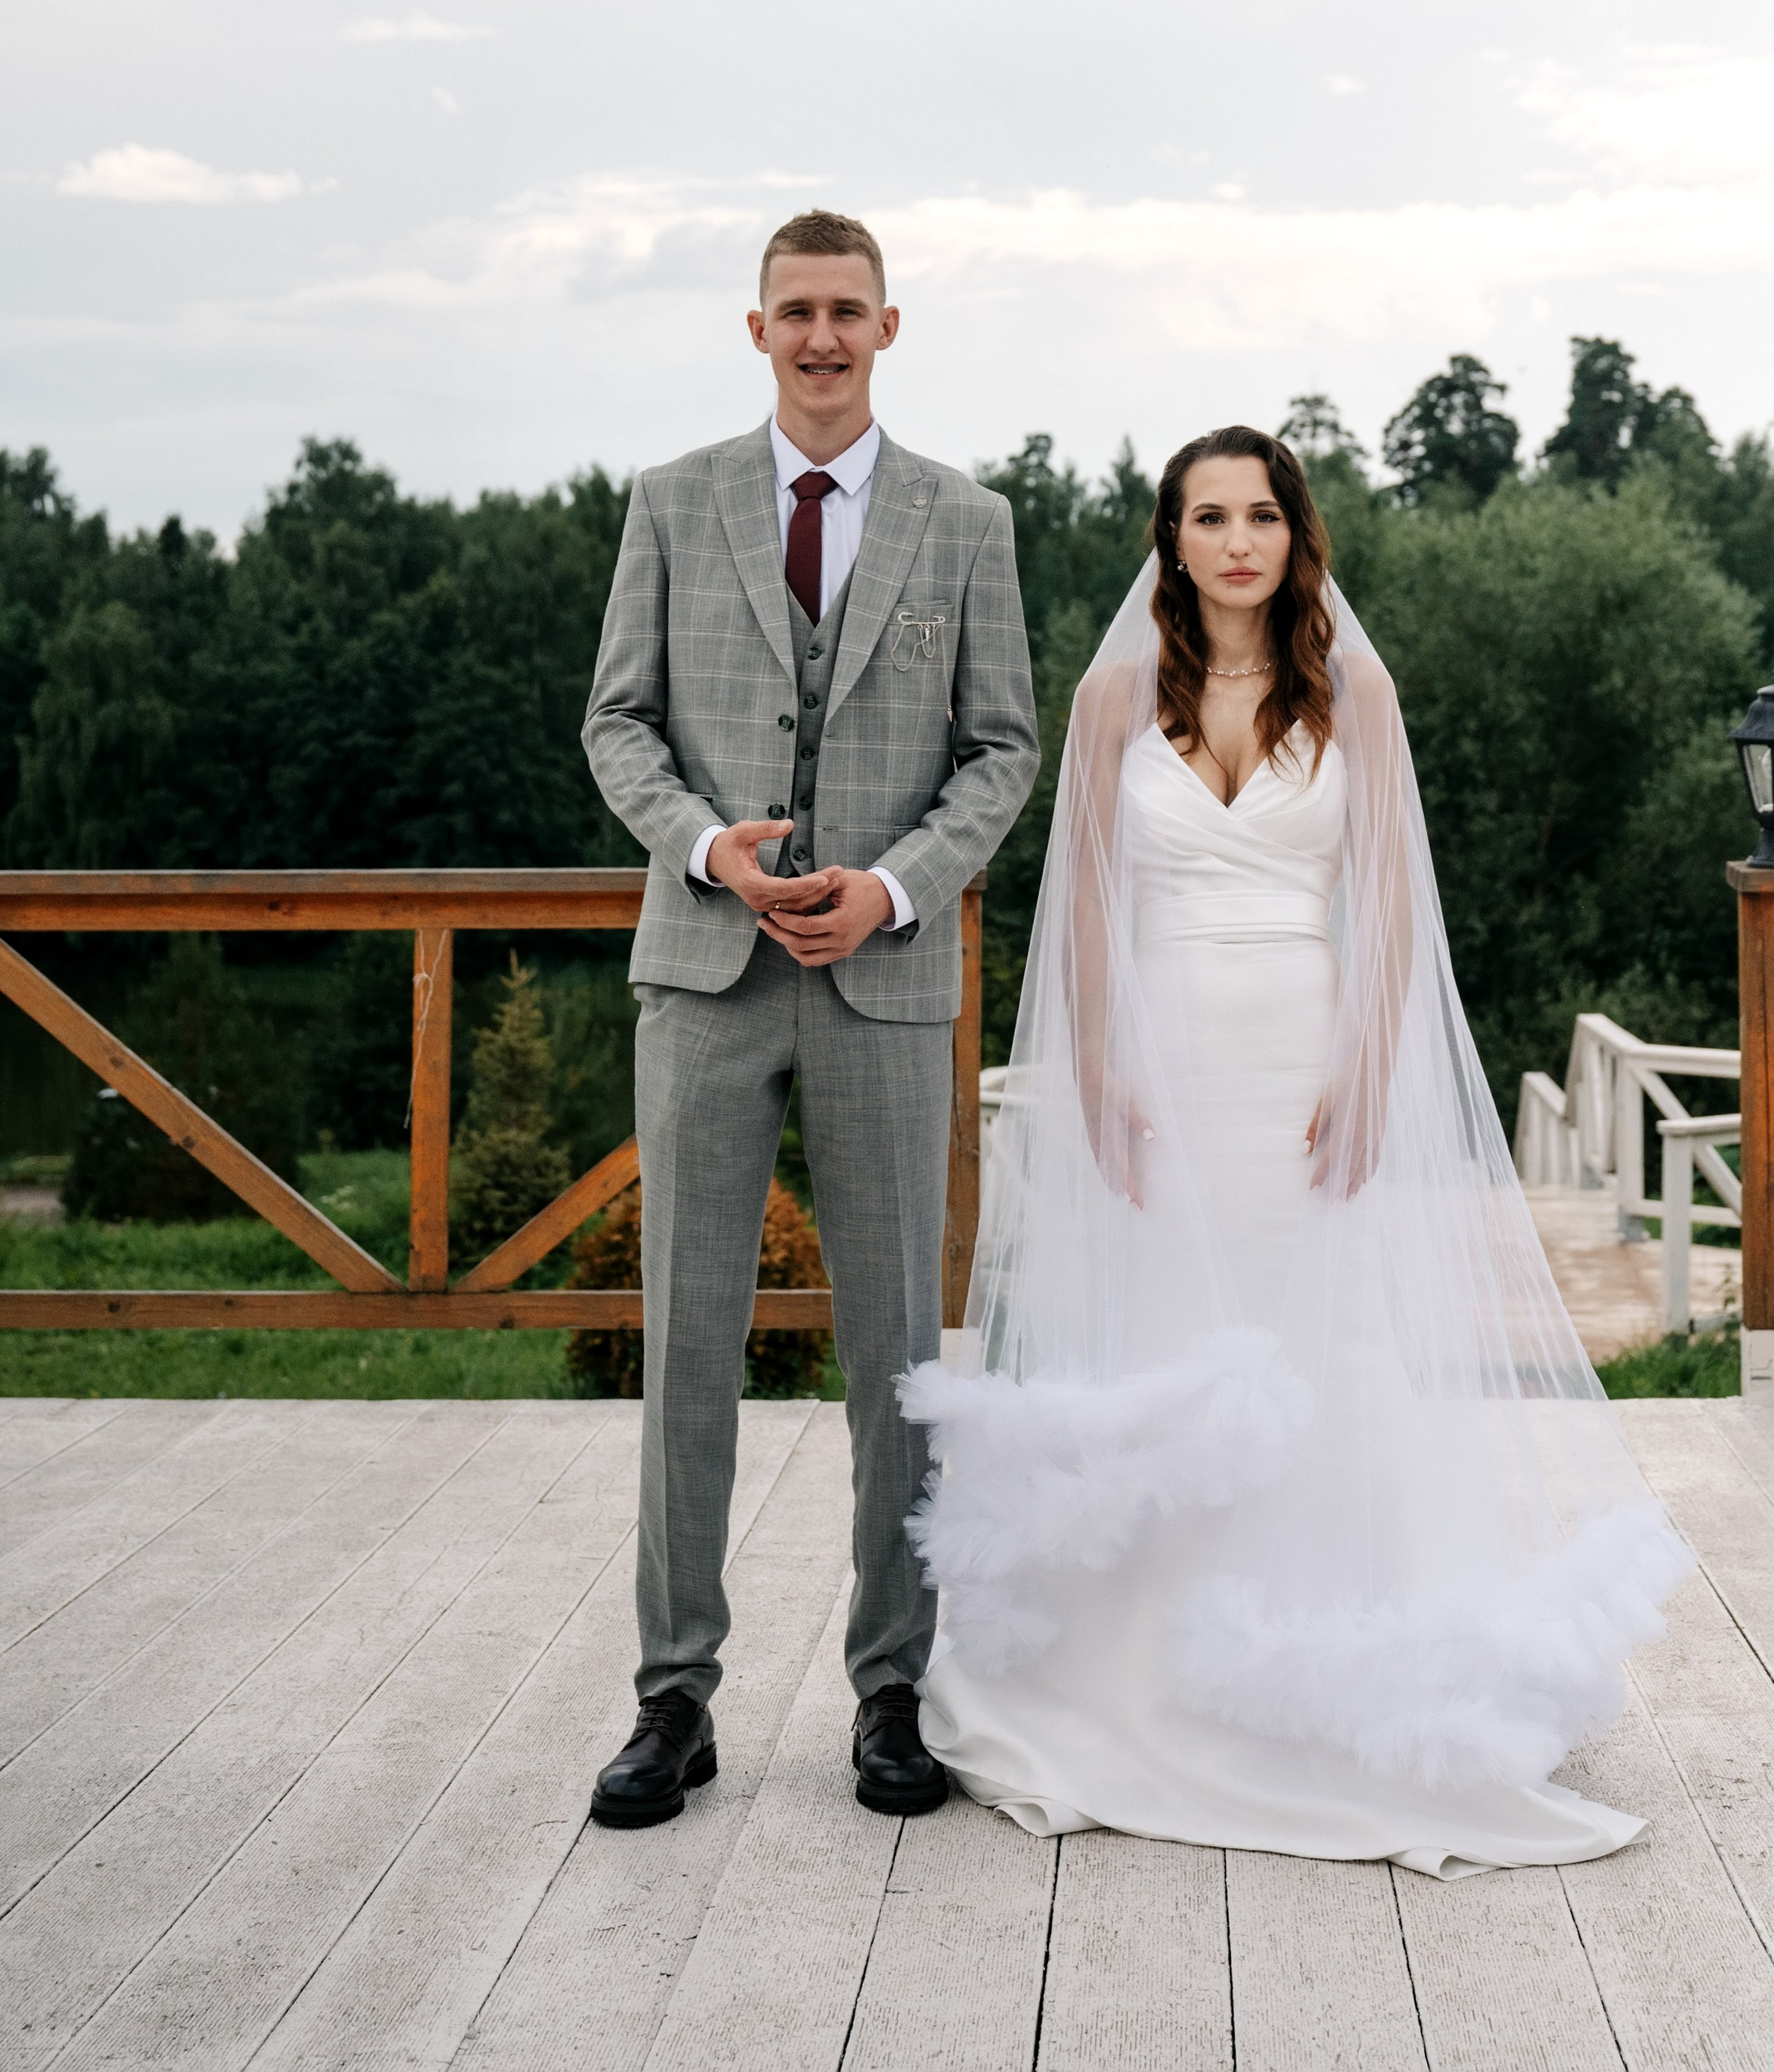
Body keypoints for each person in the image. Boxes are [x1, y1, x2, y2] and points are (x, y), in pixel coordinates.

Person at [903, 426, 1690, 1876]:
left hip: (1303, 1059)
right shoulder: (1110, 700)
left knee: (1315, 1335)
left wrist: (1367, 1065)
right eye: (1209, 517)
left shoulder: (1355, 691)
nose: (1238, 541)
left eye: (1262, 514)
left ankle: (1323, 1656)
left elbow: (1392, 899)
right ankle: (1136, 1675)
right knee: (1169, 1336)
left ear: (1293, 533)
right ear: (1173, 540)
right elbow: (1082, 903)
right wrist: (1099, 1063)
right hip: (1160, 1063)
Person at [581, 210, 1038, 1828]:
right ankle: (671, 1699)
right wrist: (708, 845)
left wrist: (895, 889)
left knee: (894, 1357)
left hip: (885, 984)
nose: (822, 335)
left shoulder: (966, 522)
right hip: (703, 976)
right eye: (797, 310)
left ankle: (891, 1691)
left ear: (889, 327)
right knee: (687, 1339)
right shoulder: (669, 502)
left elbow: (1001, 750)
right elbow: (614, 720)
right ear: (755, 325)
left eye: (848, 310)